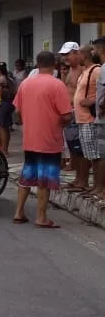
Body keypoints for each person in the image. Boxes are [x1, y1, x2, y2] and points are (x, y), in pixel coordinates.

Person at [12, 50, 73, 228]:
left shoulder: (26, 84)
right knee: (44, 179)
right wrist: (61, 122)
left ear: (37, 64)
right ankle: (41, 217)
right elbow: (67, 115)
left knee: (27, 176)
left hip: (30, 138)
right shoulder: (57, 85)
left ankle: (19, 212)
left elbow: (17, 112)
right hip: (49, 140)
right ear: (54, 64)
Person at [69, 44, 101, 195]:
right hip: (81, 118)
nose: (77, 56)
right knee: (87, 153)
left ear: (85, 55)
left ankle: (98, 186)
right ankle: (89, 183)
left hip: (89, 118)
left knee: (94, 155)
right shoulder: (85, 71)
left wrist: (93, 101)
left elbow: (102, 91)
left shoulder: (96, 70)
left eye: (79, 54)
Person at [59, 42, 85, 188]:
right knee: (72, 146)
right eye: (63, 55)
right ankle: (78, 178)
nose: (65, 58)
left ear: (76, 53)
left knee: (79, 148)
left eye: (67, 54)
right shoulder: (69, 70)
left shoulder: (82, 70)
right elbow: (66, 89)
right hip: (70, 111)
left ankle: (82, 179)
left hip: (79, 112)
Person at [90, 37, 105, 202]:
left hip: (103, 119)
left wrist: (101, 107)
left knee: (102, 156)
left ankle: (101, 189)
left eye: (94, 49)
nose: (92, 52)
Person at [0, 62, 17, 157]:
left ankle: (3, 149)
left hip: (1, 105)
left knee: (1, 127)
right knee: (2, 126)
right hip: (7, 104)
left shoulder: (0, 80)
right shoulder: (9, 79)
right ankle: (3, 148)